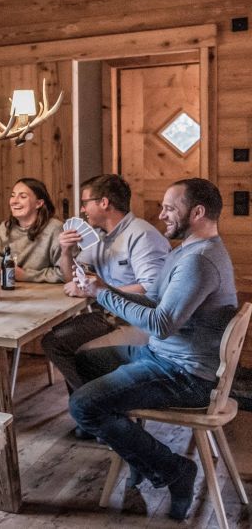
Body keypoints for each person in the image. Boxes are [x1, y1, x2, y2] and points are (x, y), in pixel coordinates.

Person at [69, 178, 237, 520]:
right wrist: (102, 288)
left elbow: (161, 322)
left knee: (83, 405)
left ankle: (175, 470)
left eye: (170, 208)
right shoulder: (188, 249)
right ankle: (138, 454)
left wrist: (103, 295)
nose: (162, 215)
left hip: (185, 374)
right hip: (163, 356)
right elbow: (156, 300)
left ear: (198, 212)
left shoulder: (199, 260)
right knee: (86, 361)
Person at [43, 174, 170, 438]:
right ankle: (96, 413)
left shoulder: (142, 235)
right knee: (55, 341)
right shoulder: (101, 237)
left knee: (77, 350)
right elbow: (71, 277)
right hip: (109, 313)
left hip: (139, 320)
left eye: (85, 202)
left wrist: (99, 289)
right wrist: (65, 252)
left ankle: (103, 415)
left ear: (103, 203)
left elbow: (152, 289)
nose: (81, 209)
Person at [0, 177, 63, 283]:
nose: (14, 201)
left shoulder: (55, 229)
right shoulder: (4, 228)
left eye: (23, 196)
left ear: (38, 203)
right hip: (13, 293)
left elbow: (64, 273)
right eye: (12, 196)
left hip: (48, 295)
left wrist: (26, 275)